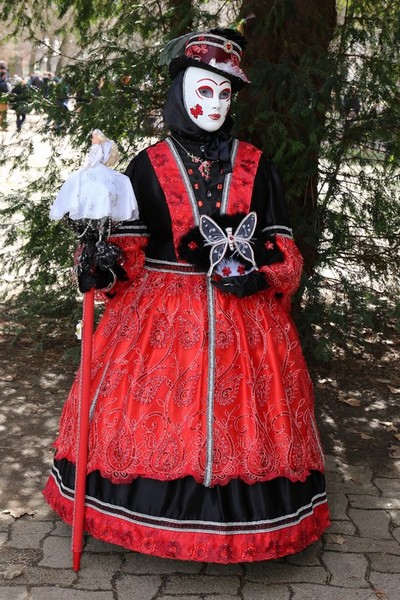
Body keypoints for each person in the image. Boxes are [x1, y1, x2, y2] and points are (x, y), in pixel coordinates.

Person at [44, 27, 330, 563]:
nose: (215, 104)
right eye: (204, 91)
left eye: (225, 94)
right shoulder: (146, 167)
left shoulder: (257, 165)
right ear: (179, 92)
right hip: (159, 314)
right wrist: (97, 266)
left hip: (244, 318)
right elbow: (127, 259)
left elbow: (282, 249)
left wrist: (260, 275)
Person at [49, 129, 138, 222]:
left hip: (95, 167)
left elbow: (94, 159)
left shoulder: (97, 147)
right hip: (96, 167)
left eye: (93, 138)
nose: (91, 140)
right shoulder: (101, 146)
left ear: (98, 139)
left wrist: (88, 166)